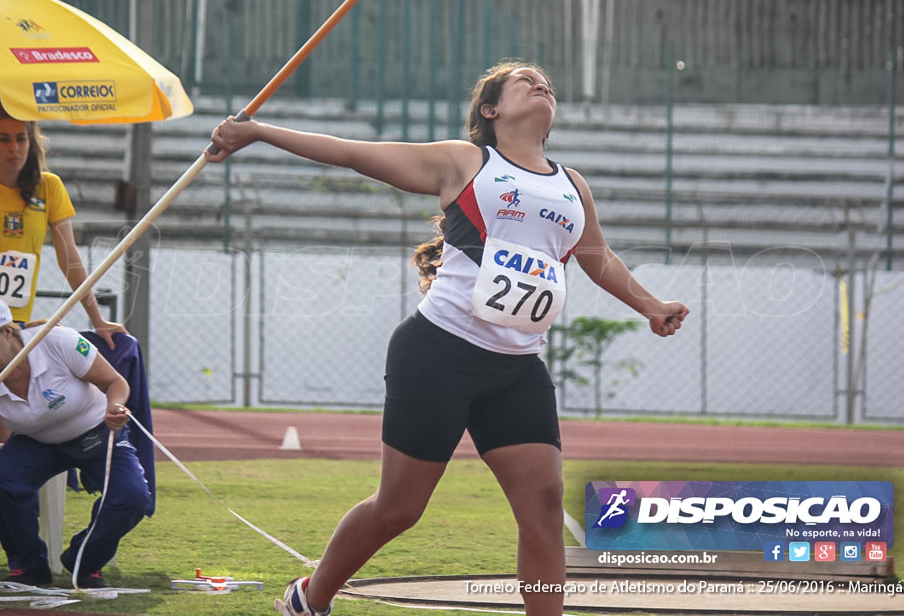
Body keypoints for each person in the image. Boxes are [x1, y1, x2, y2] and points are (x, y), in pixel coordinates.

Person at [206, 61, 689, 616]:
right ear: (491, 110)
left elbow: (596, 256)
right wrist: (259, 132)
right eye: (525, 80)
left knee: (543, 504)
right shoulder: (467, 162)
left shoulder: (571, 184)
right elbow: (351, 152)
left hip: (517, 369)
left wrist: (651, 305)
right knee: (400, 508)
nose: (541, 84)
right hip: (438, 353)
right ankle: (310, 599)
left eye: (546, 83)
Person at [0, 104, 127, 562]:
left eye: (21, 139)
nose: (13, 148)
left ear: (33, 143)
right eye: (3, 139)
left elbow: (71, 259)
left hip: (14, 333)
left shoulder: (48, 189)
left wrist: (95, 317)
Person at [0, 294, 151, 587]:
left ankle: (84, 561)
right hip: (37, 442)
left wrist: (113, 407)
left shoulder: (60, 342)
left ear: (6, 331)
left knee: (132, 496)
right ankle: (28, 565)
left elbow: (115, 382)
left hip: (96, 430)